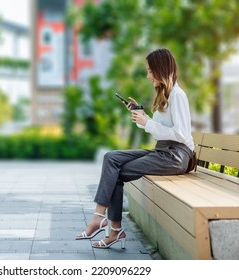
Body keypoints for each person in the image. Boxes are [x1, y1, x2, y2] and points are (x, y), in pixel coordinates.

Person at [75, 48, 194, 249]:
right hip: (164, 151)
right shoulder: (164, 95)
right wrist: (142, 116)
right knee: (111, 158)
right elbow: (159, 131)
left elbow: (181, 134)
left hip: (177, 155)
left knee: (116, 173)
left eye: (150, 70)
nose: (148, 76)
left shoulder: (177, 95)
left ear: (161, 69)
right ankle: (101, 218)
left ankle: (111, 227)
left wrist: (147, 122)